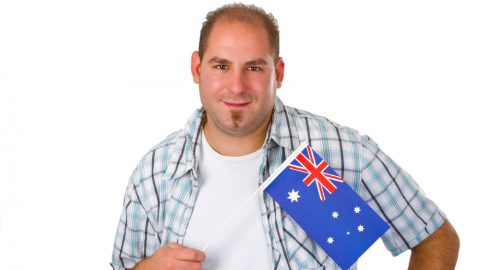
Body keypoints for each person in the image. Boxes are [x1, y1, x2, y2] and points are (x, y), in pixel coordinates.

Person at [111, 3, 459, 270]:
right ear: (196, 69)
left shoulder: (340, 152)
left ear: (278, 71)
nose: (237, 86)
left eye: (254, 67)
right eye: (221, 66)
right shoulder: (153, 173)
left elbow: (435, 237)